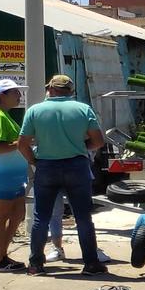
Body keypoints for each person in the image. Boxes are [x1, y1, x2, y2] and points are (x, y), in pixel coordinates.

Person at [16, 73, 105, 275]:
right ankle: (91, 263)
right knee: (83, 217)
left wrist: (34, 160)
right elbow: (98, 142)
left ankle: (36, 264)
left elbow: (22, 144)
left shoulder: (35, 111)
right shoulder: (83, 109)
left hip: (46, 167)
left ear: (51, 89)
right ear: (70, 91)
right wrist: (82, 147)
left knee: (41, 217)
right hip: (77, 166)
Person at [0, 79, 29, 272]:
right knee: (1, 216)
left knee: (18, 214)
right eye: (14, 92)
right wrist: (23, 143)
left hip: (13, 174)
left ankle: (2, 255)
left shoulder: (3, 115)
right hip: (3, 173)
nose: (19, 95)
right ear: (2, 96)